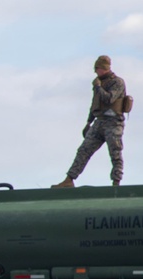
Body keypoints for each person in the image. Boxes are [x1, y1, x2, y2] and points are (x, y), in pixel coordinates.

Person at [52, 55, 128, 187]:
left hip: (113, 123)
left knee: (115, 152)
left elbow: (109, 99)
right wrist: (89, 122)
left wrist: (98, 88)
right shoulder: (99, 82)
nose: (95, 71)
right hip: (99, 122)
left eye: (97, 68)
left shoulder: (117, 82)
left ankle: (116, 182)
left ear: (103, 68)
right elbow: (95, 104)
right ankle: (69, 180)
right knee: (84, 150)